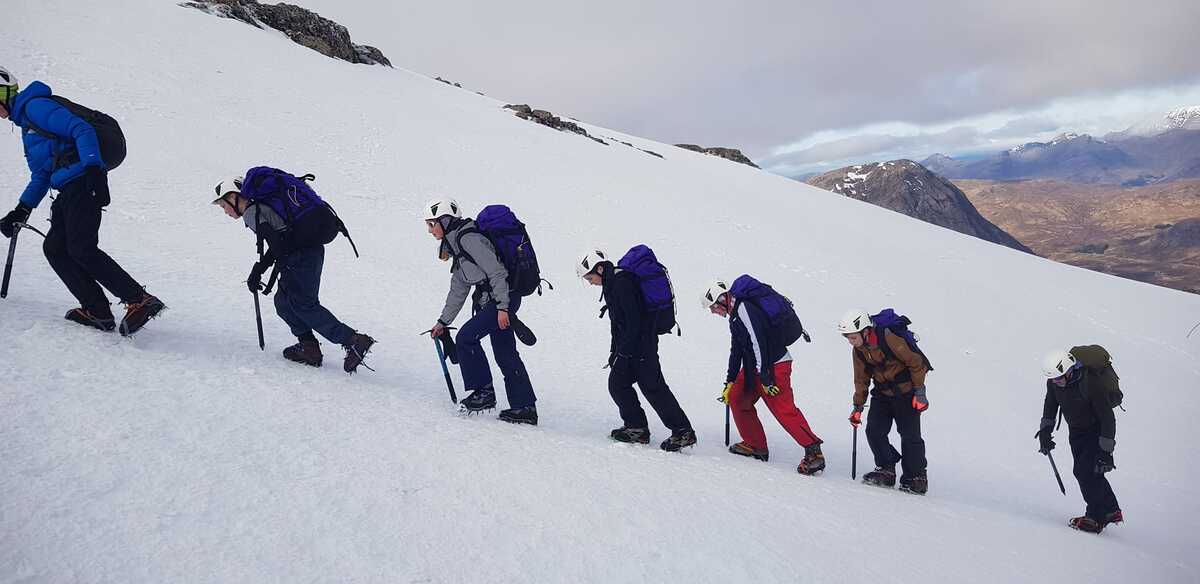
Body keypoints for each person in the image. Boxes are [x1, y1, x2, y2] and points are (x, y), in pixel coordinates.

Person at [0, 66, 164, 334]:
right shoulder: (27, 127)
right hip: (68, 187)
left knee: (81, 247)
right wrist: (21, 209)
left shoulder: (35, 107)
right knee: (55, 248)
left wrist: (93, 171)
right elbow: (42, 174)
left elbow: (81, 128)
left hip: (83, 181)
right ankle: (97, 310)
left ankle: (140, 300)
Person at [212, 174, 374, 373]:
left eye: (223, 205)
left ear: (233, 197)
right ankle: (309, 347)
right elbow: (279, 241)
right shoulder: (259, 209)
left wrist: (261, 270)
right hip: (305, 251)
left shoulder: (251, 212)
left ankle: (353, 340)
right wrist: (260, 270)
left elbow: (277, 244)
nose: (225, 211)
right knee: (283, 302)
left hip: (301, 256)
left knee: (303, 304)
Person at [425, 198, 537, 425]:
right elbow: (458, 289)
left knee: (466, 338)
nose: (429, 230)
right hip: (494, 301)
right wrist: (442, 322)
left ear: (444, 220)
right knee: (505, 353)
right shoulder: (458, 247)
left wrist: (503, 308)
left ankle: (483, 392)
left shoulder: (469, 239)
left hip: (501, 298)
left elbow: (497, 272)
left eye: (431, 223)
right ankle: (525, 408)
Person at [575, 249, 696, 451]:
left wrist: (623, 353)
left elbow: (634, 321)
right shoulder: (612, 282)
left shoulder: (621, 283)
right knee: (620, 384)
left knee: (652, 387)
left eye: (590, 277)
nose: (590, 282)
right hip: (632, 345)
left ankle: (682, 431)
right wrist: (615, 351)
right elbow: (618, 323)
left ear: (599, 268)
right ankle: (637, 428)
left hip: (641, 344)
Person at [702, 279, 825, 475]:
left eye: (713, 307)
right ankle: (755, 445)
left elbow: (758, 341)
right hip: (757, 367)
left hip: (774, 365)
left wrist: (765, 377)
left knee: (783, 409)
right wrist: (730, 381)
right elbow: (737, 350)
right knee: (736, 396)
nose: (713, 312)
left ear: (721, 299)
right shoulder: (734, 316)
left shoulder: (743, 309)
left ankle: (814, 452)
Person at [838, 309, 930, 494]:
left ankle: (916, 477)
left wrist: (920, 393)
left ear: (865, 331)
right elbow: (861, 378)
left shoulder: (888, 337)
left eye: (853, 337)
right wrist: (858, 407)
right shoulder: (859, 350)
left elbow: (916, 363)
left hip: (906, 393)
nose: (850, 341)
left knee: (910, 436)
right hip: (881, 394)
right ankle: (886, 470)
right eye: (847, 337)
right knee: (874, 431)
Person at [1037, 348, 1122, 533]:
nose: (1057, 382)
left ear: (1069, 370)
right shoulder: (1053, 382)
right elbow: (1050, 405)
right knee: (1090, 472)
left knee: (1084, 471)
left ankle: (1096, 517)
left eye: (1059, 377)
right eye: (1053, 379)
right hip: (1076, 431)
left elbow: (1108, 418)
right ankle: (1111, 510)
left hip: (1097, 429)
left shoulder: (1090, 382)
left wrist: (1106, 452)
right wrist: (1045, 431)